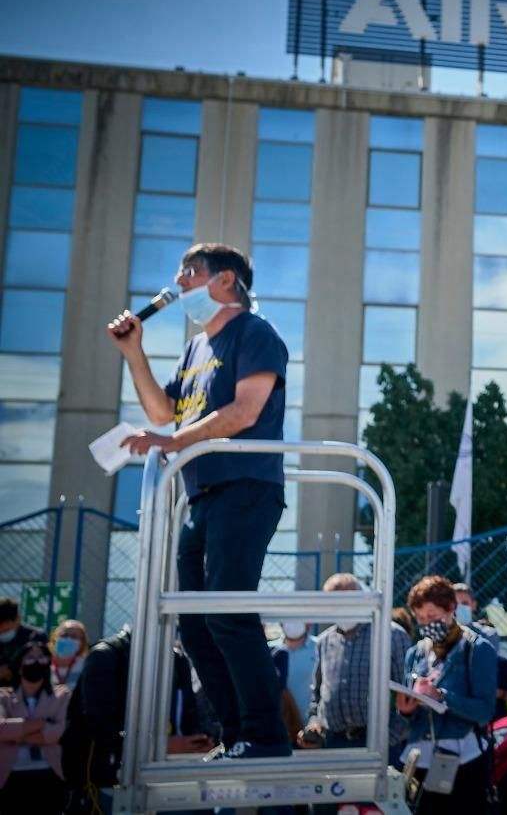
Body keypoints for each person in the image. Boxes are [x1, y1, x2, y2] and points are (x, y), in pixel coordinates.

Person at [108, 242, 292, 760]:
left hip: (246, 488)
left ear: (227, 281)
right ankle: (237, 735)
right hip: (202, 495)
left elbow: (244, 412)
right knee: (195, 623)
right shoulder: (195, 350)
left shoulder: (256, 334)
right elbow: (164, 411)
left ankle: (266, 737)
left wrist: (171, 444)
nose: (178, 282)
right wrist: (134, 353)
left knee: (228, 612)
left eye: (189, 273)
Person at [61, 627, 208, 814]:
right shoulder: (105, 655)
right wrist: (159, 746)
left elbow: (188, 715)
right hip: (112, 780)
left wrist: (197, 742)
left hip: (166, 776)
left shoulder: (176, 659)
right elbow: (99, 727)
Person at [298, 574, 410, 813]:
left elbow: (407, 695)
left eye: (346, 600)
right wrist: (315, 723)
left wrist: (389, 739)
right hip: (333, 745)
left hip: (378, 746)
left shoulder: (391, 635)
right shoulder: (326, 640)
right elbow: (317, 694)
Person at [396, 575, 497, 813]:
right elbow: (407, 713)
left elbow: (484, 710)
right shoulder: (416, 653)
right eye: (420, 618)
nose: (427, 623)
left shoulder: (477, 648)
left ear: (451, 608)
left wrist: (441, 696)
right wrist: (406, 710)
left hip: (464, 760)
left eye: (432, 616)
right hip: (421, 758)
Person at [0, 640, 71, 810]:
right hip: (10, 775)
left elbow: (56, 733)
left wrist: (16, 735)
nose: (36, 662)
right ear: (19, 665)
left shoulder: (61, 695)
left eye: (41, 657)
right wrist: (42, 723)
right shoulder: (4, 697)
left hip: (48, 775)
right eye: (30, 657)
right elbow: (1, 730)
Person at [454, 583, 507, 720]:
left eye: (464, 603)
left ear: (473, 604)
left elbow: (486, 666)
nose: (460, 608)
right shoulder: (441, 637)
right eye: (455, 604)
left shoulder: (487, 634)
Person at [270, 621, 317, 733]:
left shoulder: (322, 645)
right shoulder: (269, 650)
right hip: (278, 733)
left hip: (313, 733)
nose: (293, 622)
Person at [0, 597, 47, 688]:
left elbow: (41, 667)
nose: (2, 633)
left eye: (6, 630)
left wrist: (11, 671)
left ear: (17, 619)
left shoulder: (35, 637)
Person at [49, 620, 90, 692]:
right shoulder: (43, 663)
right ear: (55, 637)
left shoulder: (86, 666)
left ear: (82, 642)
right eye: (64, 635)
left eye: (74, 637)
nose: (68, 639)